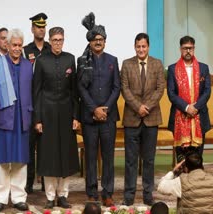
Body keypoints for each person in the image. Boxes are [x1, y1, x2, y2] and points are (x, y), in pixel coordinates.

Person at [33, 26, 80, 209]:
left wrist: (76, 115)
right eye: (55, 40)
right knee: (49, 156)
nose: (58, 43)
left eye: (60, 40)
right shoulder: (41, 60)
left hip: (67, 113)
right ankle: (50, 196)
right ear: (49, 41)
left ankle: (63, 195)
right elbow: (36, 92)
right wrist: (37, 119)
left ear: (63, 40)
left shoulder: (70, 59)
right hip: (48, 114)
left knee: (66, 155)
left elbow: (74, 91)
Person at [77, 12, 120, 207]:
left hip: (108, 117)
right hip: (89, 117)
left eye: (101, 39)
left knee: (109, 157)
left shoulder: (112, 60)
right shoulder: (82, 60)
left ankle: (108, 192)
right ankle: (92, 192)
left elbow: (116, 87)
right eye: (95, 39)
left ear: (105, 41)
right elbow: (81, 88)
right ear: (90, 41)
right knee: (91, 156)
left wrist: (106, 108)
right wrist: (94, 109)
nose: (98, 42)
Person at [0, 28, 33, 212]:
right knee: (0, 160)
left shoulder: (28, 65)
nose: (16, 48)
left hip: (22, 118)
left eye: (19, 45)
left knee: (20, 160)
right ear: (6, 45)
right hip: (3, 117)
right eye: (13, 45)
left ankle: (18, 197)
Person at [121, 33, 165, 206]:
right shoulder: (126, 64)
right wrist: (137, 107)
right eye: (138, 46)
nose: (141, 49)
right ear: (135, 47)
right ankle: (129, 195)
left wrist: (146, 107)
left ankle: (148, 194)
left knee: (149, 159)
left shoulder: (157, 64)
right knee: (130, 160)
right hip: (132, 118)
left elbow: (160, 88)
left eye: (144, 46)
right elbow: (125, 89)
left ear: (148, 47)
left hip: (151, 118)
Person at [167, 35, 211, 162]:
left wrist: (195, 107)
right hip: (179, 116)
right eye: (185, 48)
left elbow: (207, 91)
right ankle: (182, 179)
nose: (188, 51)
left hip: (200, 115)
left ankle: (196, 180)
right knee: (182, 158)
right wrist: (187, 108)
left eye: (190, 48)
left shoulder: (203, 68)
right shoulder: (172, 69)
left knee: (197, 157)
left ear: (194, 49)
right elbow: (171, 93)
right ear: (180, 49)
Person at [23, 12, 51, 194]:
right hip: (31, 103)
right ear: (32, 29)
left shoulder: (51, 48)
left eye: (43, 27)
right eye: (38, 26)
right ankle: (29, 183)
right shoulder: (26, 50)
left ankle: (46, 183)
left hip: (48, 104)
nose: (41, 29)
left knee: (46, 146)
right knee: (30, 145)